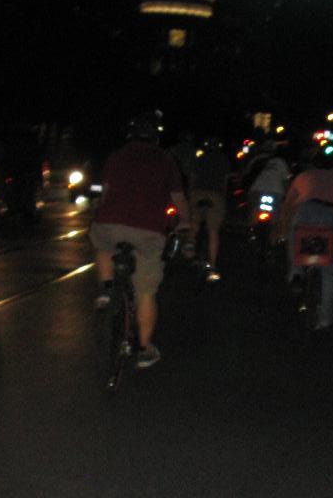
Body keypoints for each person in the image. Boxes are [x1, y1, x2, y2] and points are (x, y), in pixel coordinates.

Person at [90, 115, 190, 369]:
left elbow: (106, 191)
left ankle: (106, 289)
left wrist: (101, 212)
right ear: (155, 138)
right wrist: (185, 221)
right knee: (146, 292)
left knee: (102, 244)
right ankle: (145, 349)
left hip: (110, 223)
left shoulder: (116, 156)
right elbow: (178, 198)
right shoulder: (166, 160)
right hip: (149, 232)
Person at [280, 148, 333, 330]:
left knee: (296, 241)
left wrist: (284, 229)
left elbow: (288, 205)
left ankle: (296, 273)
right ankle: (325, 318)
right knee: (328, 271)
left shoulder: (303, 177)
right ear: (331, 166)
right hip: (330, 215)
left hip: (305, 211)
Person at [189, 136, 231, 281]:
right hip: (215, 195)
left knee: (194, 224)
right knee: (213, 231)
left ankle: (190, 248)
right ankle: (212, 266)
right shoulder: (224, 160)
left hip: (198, 193)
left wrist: (191, 194)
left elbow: (192, 178)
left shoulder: (199, 159)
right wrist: (223, 198)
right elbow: (225, 182)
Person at [247, 140, 290, 245]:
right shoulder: (281, 162)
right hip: (276, 191)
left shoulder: (257, 160)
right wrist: (287, 194)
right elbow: (285, 180)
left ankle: (251, 231)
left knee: (255, 208)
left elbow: (247, 174)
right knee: (278, 214)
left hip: (257, 188)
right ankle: (278, 237)